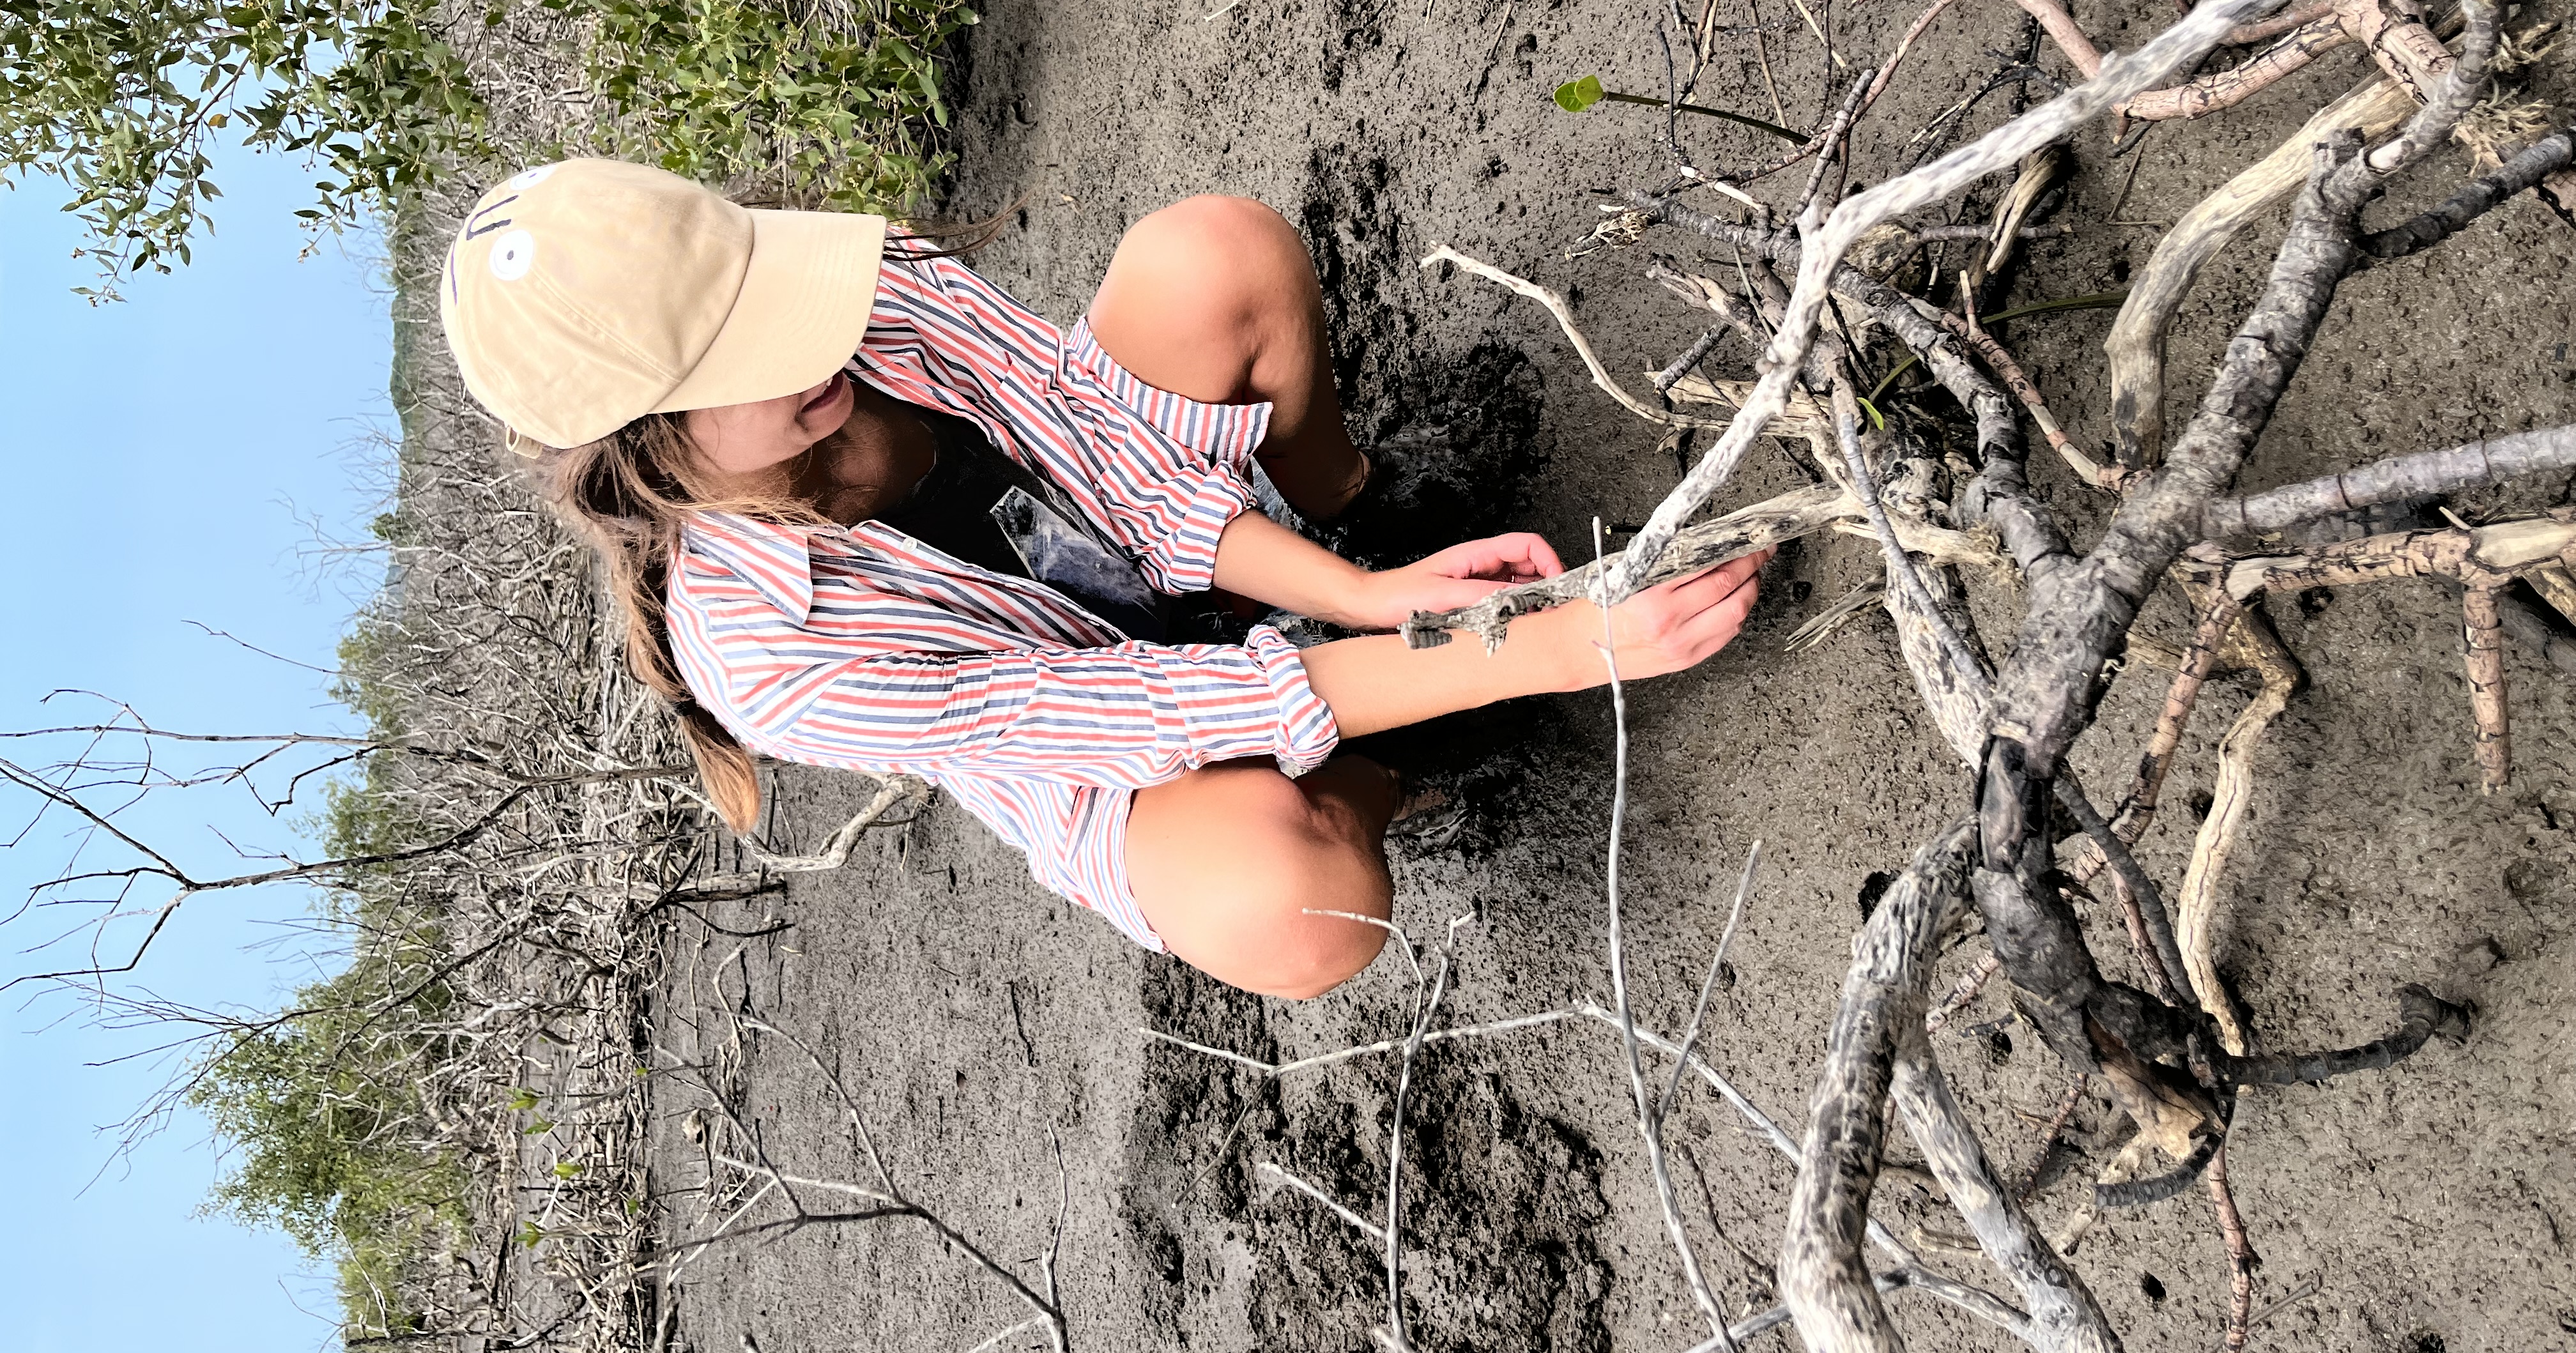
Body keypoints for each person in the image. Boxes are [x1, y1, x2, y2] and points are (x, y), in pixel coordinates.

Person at [438, 160, 1765, 998]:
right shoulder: (762, 654)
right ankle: (1409, 768)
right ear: (656, 451)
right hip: (1113, 742)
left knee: (1215, 256)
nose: (817, 334)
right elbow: (1110, 715)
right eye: (754, 354)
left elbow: (1120, 468)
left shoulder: (867, 297)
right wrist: (1530, 652)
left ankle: (1363, 510)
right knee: (1293, 908)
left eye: (767, 291)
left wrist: (1370, 596)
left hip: (1178, 556)